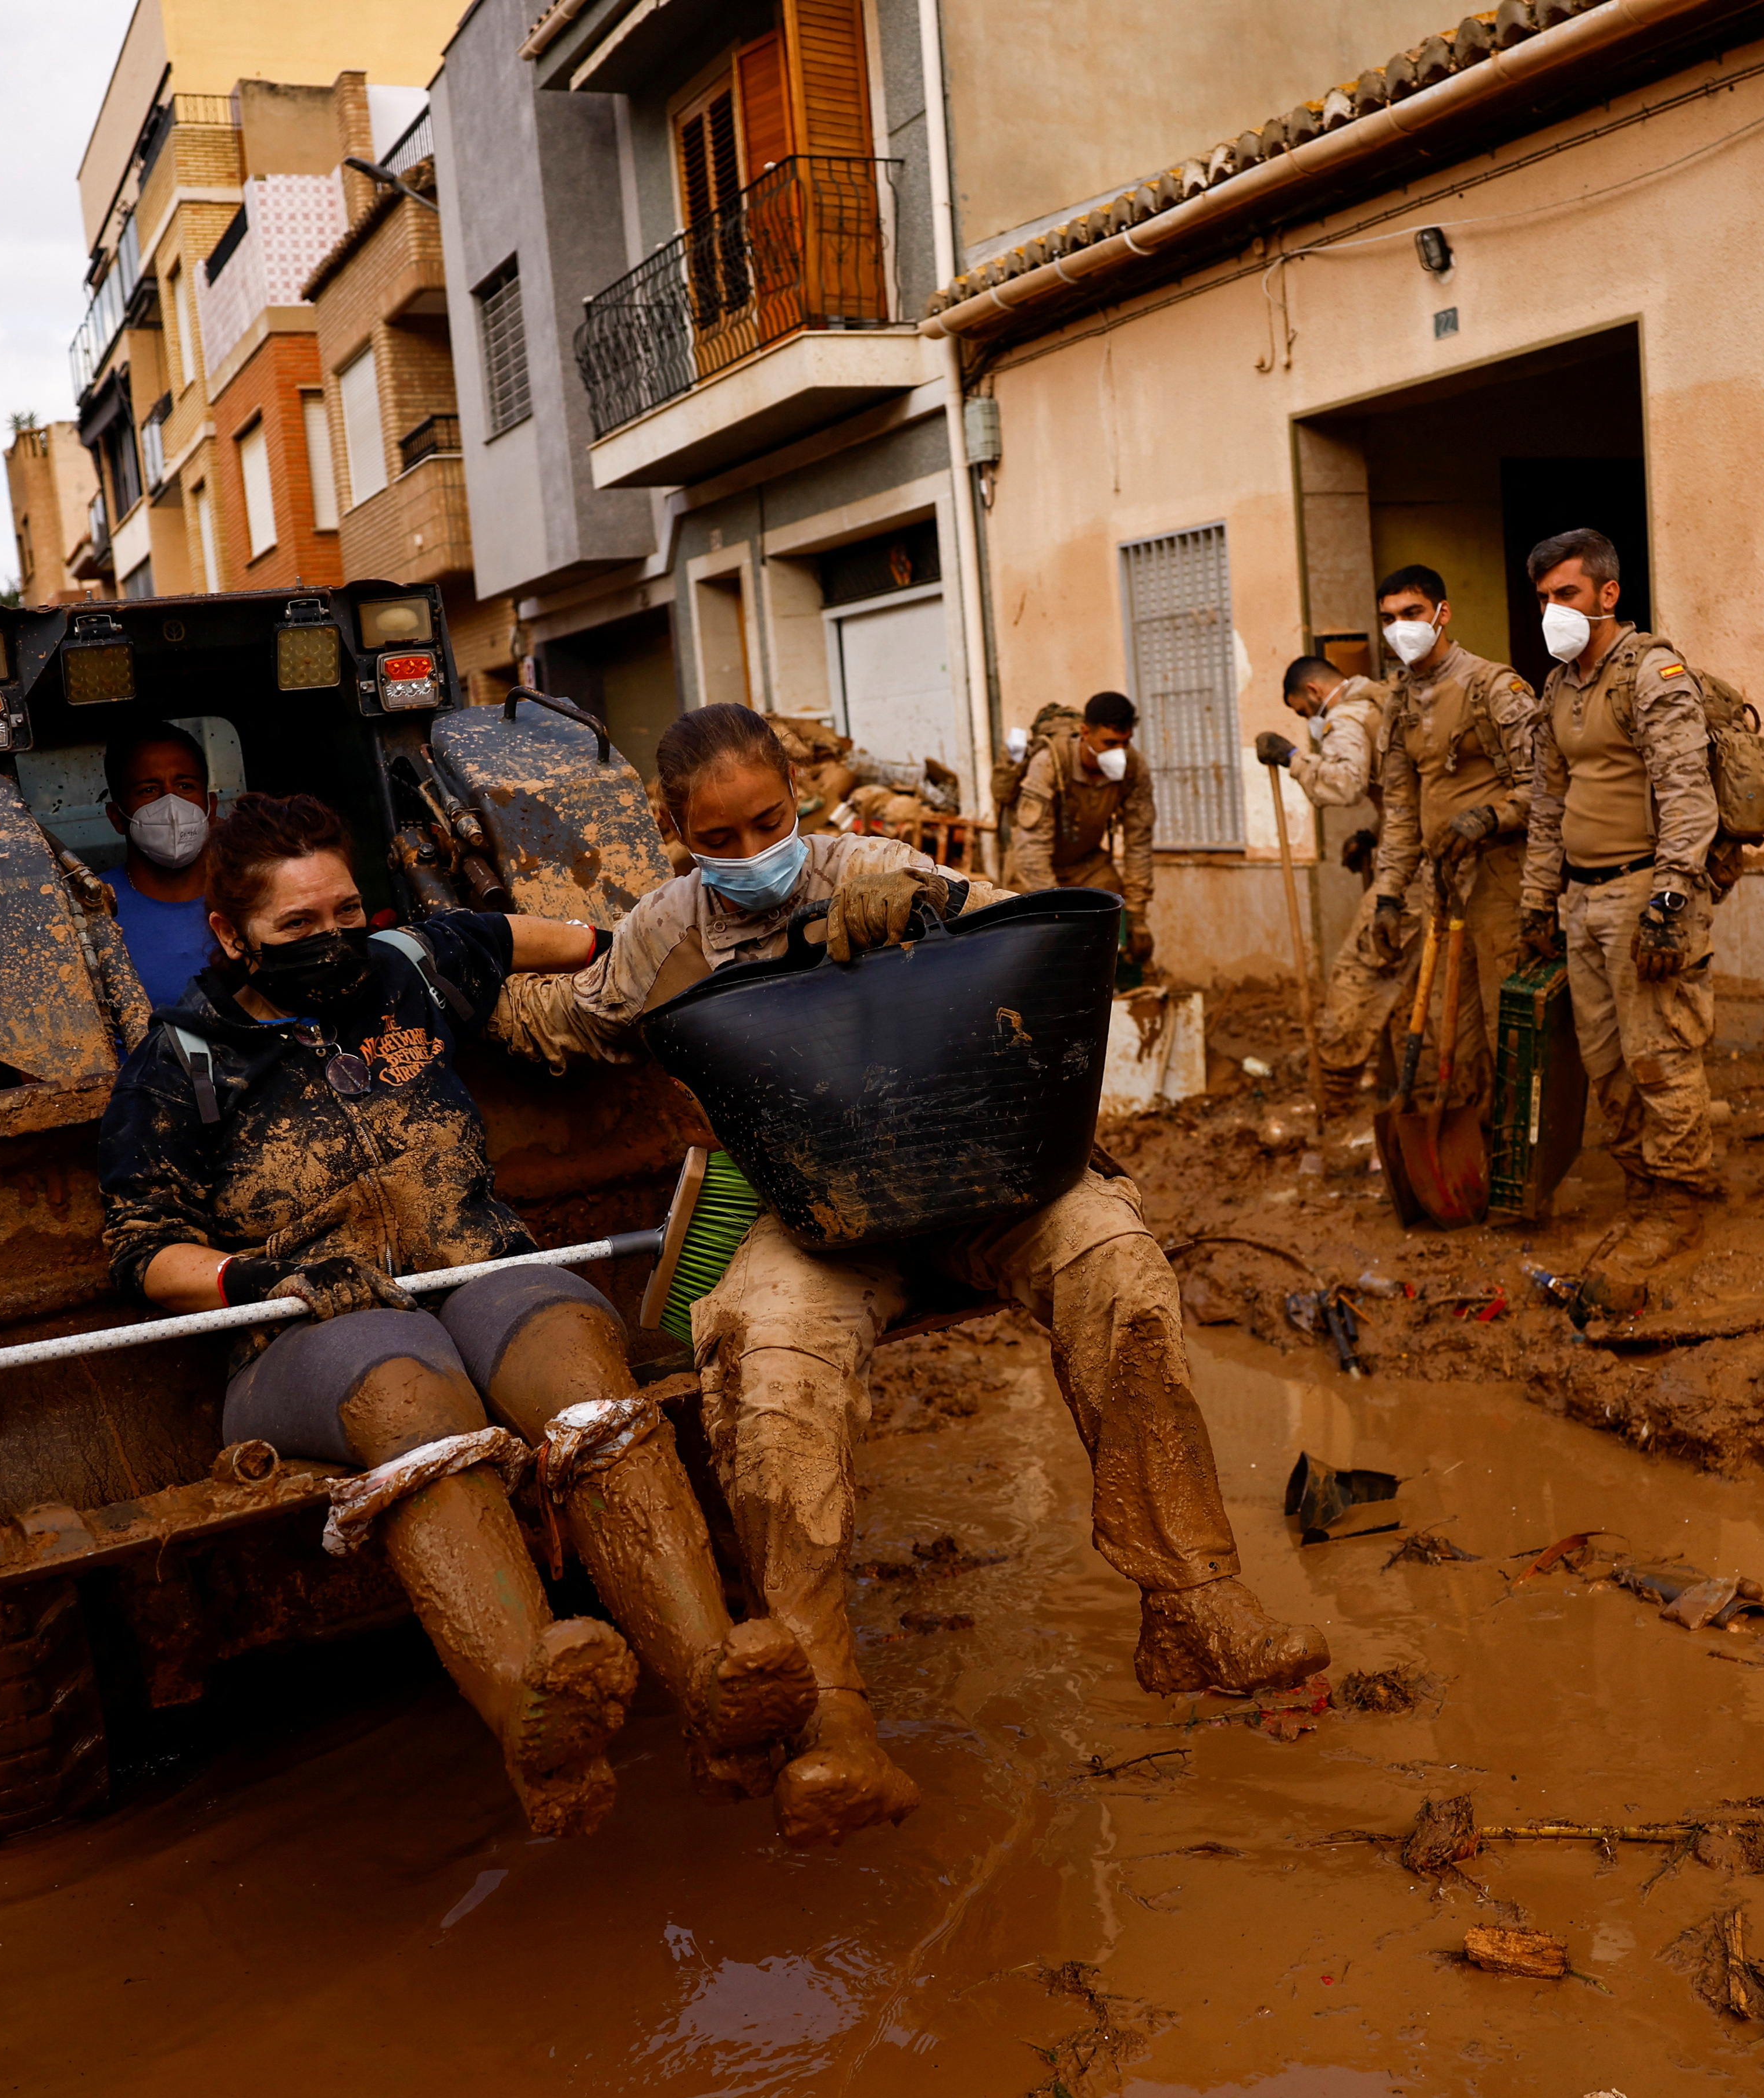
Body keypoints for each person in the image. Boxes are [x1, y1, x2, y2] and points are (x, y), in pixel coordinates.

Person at [492, 703, 1328, 1849]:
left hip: (981, 1169)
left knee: (1115, 1261)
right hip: (821, 1214)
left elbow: (1052, 936)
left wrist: (935, 910)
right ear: (672, 830)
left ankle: (1191, 1600)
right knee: (765, 1356)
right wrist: (454, 967)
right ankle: (833, 1719)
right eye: (717, 838)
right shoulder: (663, 934)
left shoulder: (873, 865)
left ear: (800, 801)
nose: (750, 855)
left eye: (768, 823)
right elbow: (574, 1021)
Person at [98, 793, 819, 1838]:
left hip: (482, 1269)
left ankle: (714, 1680)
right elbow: (140, 1248)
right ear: (229, 933)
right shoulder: (181, 1061)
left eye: (344, 911)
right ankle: (534, 1712)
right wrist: (258, 1279)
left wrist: (699, 964)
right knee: (407, 1386)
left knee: (577, 1353)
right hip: (307, 1332)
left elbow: (572, 941)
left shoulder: (416, 963)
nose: (332, 939)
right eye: (296, 927)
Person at [1516, 527, 1724, 1205]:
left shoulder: (1652, 673)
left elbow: (1687, 795)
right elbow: (1549, 803)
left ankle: (1683, 1196)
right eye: (1544, 598)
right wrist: (1537, 899)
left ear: (1608, 592)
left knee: (1660, 1058)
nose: (1554, 611)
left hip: (1644, 892)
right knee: (1604, 1063)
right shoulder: (1558, 686)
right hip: (1581, 901)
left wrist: (1670, 904)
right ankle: (1644, 1184)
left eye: (1567, 593)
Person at [1359, 566, 1541, 1116]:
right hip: (1441, 888)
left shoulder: (1493, 687)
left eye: (1411, 614)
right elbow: (1400, 813)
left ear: (1443, 613)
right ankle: (1471, 1160)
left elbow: (1547, 787)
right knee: (1452, 1034)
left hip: (1502, 885)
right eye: (1388, 619)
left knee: (1507, 1025)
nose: (1399, 628)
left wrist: (1491, 816)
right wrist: (1388, 894)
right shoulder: (1399, 703)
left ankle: (1521, 1161)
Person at [1256, 656, 1413, 1102]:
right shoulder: (1381, 699)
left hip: (1417, 866)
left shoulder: (1345, 716)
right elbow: (1407, 793)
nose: (1308, 720)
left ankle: (1336, 1089)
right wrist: (1374, 834)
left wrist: (1293, 758)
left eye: (1303, 712)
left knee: (1357, 972)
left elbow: (1344, 785)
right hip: (1422, 846)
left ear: (1312, 693)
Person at [1010, 689, 1155, 966]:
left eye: (1125, 743)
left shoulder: (1133, 768)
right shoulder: (1050, 763)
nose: (1119, 753)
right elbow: (1031, 851)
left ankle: (1119, 996)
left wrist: (1137, 917)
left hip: (1087, 865)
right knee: (1038, 950)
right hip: (1034, 870)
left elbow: (1140, 843)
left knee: (1114, 918)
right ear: (1085, 733)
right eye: (1110, 742)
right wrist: (1057, 915)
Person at [97, 721, 221, 1003]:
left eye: (185, 786)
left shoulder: (253, 895)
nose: (172, 806)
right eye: (148, 790)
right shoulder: (92, 909)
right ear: (117, 816)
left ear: (211, 807)